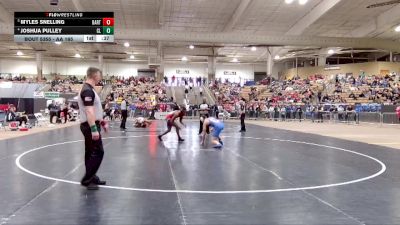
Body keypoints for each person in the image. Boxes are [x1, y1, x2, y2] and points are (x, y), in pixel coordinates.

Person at [78, 67, 108, 190]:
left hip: (91, 124)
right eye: (99, 75)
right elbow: (89, 111)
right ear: (95, 75)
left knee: (90, 153)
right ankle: (87, 179)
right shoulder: (87, 91)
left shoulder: (89, 89)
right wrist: (94, 129)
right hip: (90, 126)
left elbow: (93, 110)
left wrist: (100, 120)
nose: (100, 78)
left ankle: (92, 177)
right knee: (98, 152)